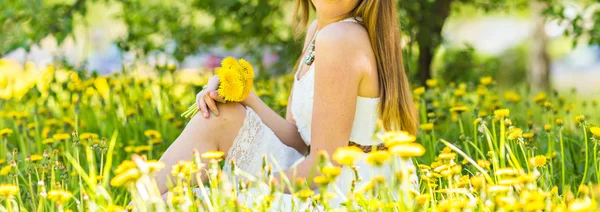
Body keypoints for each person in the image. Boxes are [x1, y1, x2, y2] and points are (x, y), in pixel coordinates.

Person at [153, 0, 419, 208]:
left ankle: (137, 204)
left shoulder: (341, 38)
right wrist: (243, 95)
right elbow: (298, 140)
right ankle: (137, 201)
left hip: (350, 195)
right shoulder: (319, 30)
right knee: (219, 114)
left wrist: (233, 187)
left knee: (187, 202)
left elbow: (323, 166)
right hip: (322, 177)